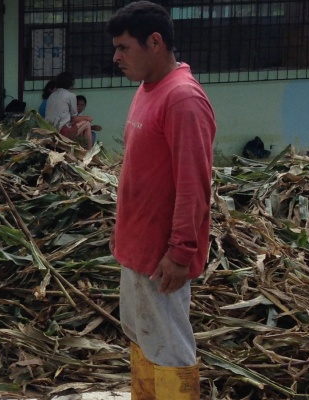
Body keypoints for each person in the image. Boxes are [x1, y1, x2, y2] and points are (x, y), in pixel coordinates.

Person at [108, 2, 215, 398]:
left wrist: (181, 251)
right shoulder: (147, 89)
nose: (116, 57)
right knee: (142, 336)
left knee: (169, 348)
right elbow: (141, 171)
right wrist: (122, 233)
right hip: (137, 248)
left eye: (123, 47)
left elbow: (195, 186)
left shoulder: (183, 99)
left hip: (162, 258)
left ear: (155, 42)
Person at [44, 72, 94, 148]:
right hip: (62, 132)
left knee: (78, 125)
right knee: (86, 123)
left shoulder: (52, 95)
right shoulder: (71, 95)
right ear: (71, 83)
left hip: (48, 132)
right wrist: (86, 118)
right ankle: (89, 153)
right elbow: (74, 118)